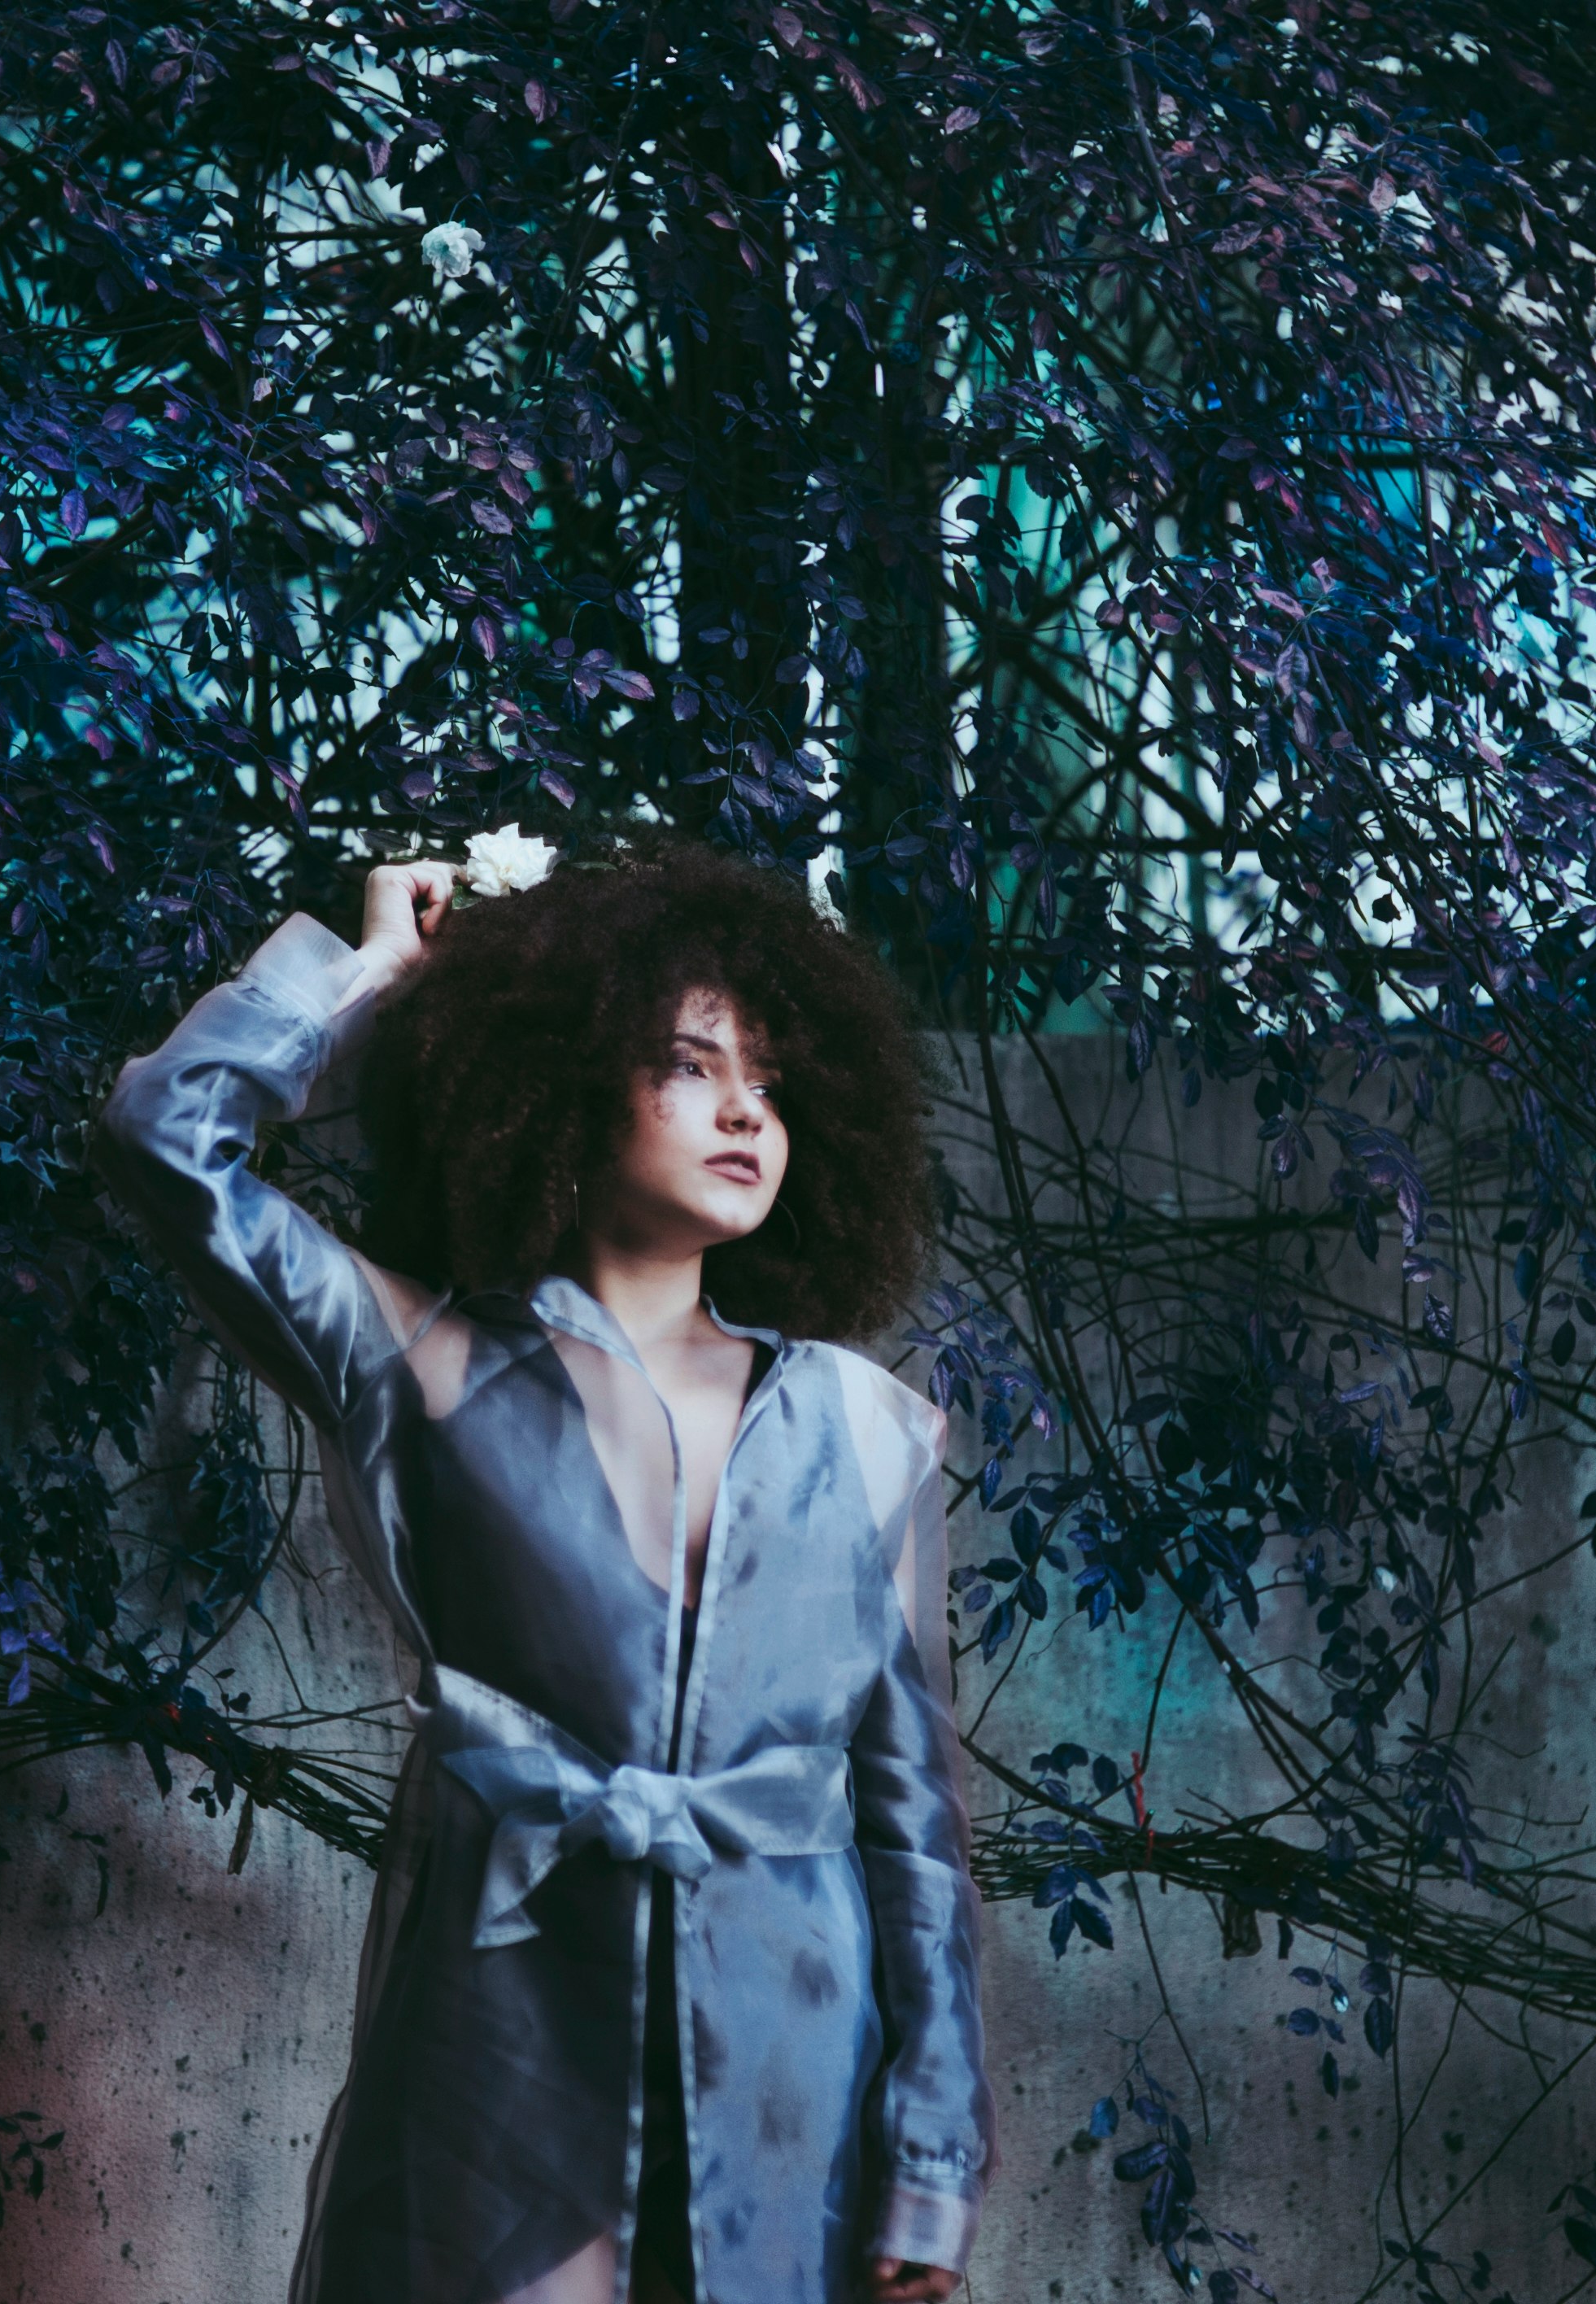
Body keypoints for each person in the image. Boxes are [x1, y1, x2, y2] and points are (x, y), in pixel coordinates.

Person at [94, 836, 991, 2304]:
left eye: (770, 1082)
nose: (746, 1111)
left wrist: (933, 2164)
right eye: (694, 1065)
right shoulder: (425, 1357)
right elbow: (161, 1136)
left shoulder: (867, 1431)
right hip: (507, 2069)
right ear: (568, 1081)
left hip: (797, 2096)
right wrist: (366, 973)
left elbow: (914, 1840)